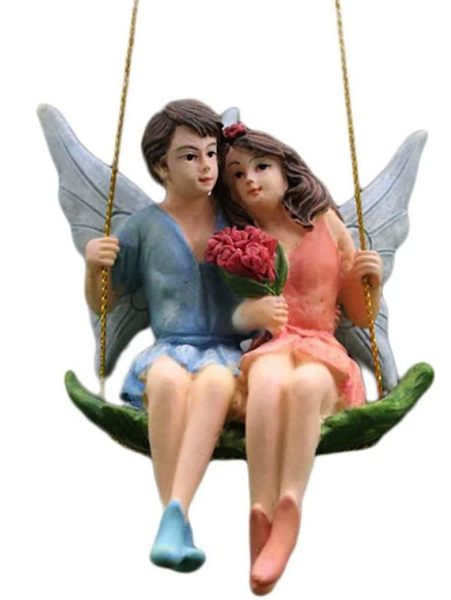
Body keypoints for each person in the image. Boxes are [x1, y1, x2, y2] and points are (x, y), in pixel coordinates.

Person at [217, 123, 383, 594]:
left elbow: (360, 314)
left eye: (261, 166)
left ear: (287, 169)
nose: (250, 179)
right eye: (237, 174)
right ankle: (260, 509)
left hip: (321, 346)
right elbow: (229, 316)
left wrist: (370, 280)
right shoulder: (242, 240)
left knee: (307, 385)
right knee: (268, 381)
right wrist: (252, 312)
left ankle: (289, 506)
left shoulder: (325, 223)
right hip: (273, 344)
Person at [84, 100, 244, 573]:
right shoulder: (142, 227)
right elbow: (105, 302)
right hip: (170, 348)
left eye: (212, 153)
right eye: (189, 156)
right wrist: (94, 267)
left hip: (229, 350)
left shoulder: (238, 216)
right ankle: (176, 518)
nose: (207, 166)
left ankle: (173, 517)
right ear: (161, 166)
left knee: (216, 382)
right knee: (166, 382)